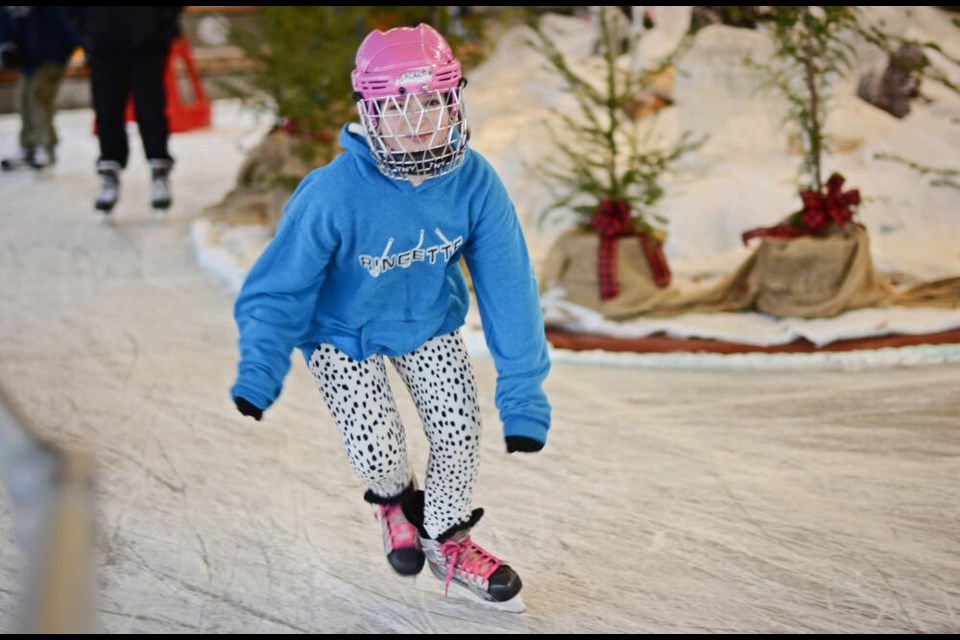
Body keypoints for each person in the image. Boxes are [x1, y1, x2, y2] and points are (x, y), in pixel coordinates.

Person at [230, 23, 551, 608]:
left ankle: (447, 538)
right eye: (397, 105)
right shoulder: (332, 193)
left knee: (458, 430)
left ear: (454, 100)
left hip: (426, 321)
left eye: (432, 101)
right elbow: (278, 286)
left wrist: (523, 392)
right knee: (379, 447)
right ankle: (393, 499)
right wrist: (259, 367)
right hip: (338, 331)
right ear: (369, 112)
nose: (418, 119)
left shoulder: (474, 181)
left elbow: (509, 284)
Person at [66, 7, 182, 214]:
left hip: (148, 37)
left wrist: (161, 22)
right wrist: (87, 27)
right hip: (102, 37)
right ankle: (110, 169)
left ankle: (159, 168)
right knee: (107, 109)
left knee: (151, 107)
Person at [0, 6, 81, 173]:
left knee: (38, 96)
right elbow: (5, 25)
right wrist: (6, 46)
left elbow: (65, 22)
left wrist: (78, 46)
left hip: (51, 57)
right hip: (27, 60)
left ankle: (46, 146)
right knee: (23, 100)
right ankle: (28, 147)